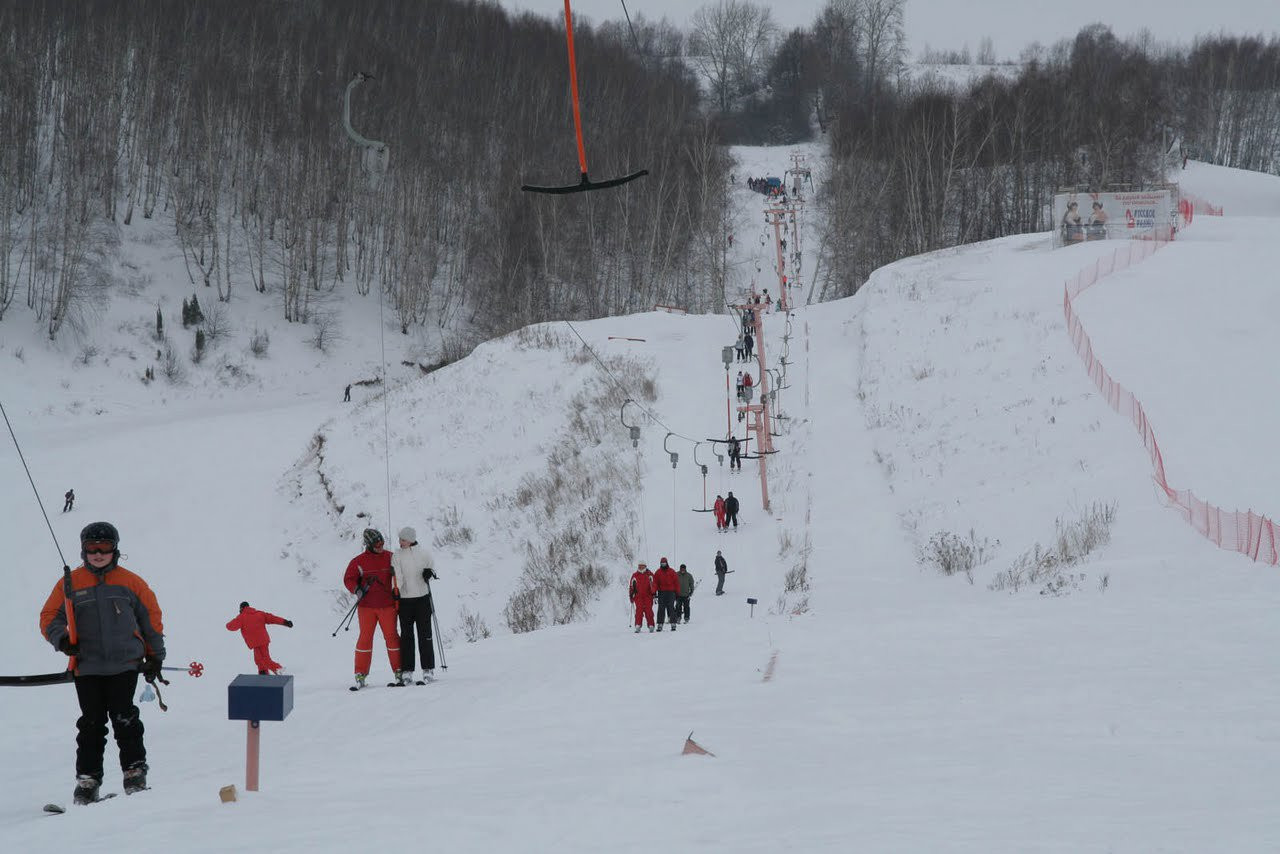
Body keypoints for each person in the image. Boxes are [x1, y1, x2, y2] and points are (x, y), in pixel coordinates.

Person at [40, 522, 164, 804]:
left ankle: (134, 773)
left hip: (125, 664)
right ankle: (88, 781)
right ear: (83, 550)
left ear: (115, 549)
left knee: (125, 718)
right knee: (91, 724)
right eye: (92, 548)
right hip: (88, 666)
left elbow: (151, 619)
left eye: (104, 548)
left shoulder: (131, 582)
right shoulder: (70, 583)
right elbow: (49, 616)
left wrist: (155, 656)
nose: (98, 553)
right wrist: (62, 640)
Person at [344, 528, 402, 689]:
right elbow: (348, 579)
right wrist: (356, 589)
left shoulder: (391, 557)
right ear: (369, 544)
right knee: (365, 638)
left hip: (387, 606)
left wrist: (396, 571)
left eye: (382, 542)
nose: (380, 546)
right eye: (377, 543)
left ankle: (399, 670)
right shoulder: (358, 561)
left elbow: (403, 572)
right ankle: (360, 673)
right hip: (366, 607)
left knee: (392, 637)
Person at [391, 526, 437, 685]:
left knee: (425, 634)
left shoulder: (424, 553)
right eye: (400, 539)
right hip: (405, 600)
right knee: (406, 636)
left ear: (410, 539)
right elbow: (398, 574)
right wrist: (395, 589)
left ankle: (428, 668)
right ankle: (407, 670)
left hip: (423, 599)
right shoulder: (397, 556)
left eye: (403, 539)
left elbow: (432, 567)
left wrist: (429, 573)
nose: (400, 542)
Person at [226, 602, 292, 675]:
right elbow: (273, 618)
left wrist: (228, 624)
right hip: (263, 640)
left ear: (241, 608)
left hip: (256, 642)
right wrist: (285, 622)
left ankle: (278, 669)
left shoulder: (241, 617)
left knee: (264, 659)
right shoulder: (259, 613)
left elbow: (231, 627)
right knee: (259, 660)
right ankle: (263, 673)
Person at [653, 558, 680, 631]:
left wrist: (677, 593)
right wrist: (654, 592)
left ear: (667, 563)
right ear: (660, 564)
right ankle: (660, 624)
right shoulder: (658, 572)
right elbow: (655, 583)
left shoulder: (672, 572)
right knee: (661, 608)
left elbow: (676, 583)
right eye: (662, 563)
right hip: (661, 592)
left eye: (664, 563)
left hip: (671, 592)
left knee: (671, 608)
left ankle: (673, 623)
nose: (663, 565)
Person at [629, 563, 655, 633]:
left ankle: (651, 625)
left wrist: (654, 592)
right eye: (639, 566)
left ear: (645, 566)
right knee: (639, 611)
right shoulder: (635, 575)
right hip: (638, 597)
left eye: (642, 566)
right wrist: (631, 596)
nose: (641, 567)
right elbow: (631, 586)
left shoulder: (650, 574)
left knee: (649, 611)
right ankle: (638, 625)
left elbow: (654, 584)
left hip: (648, 596)